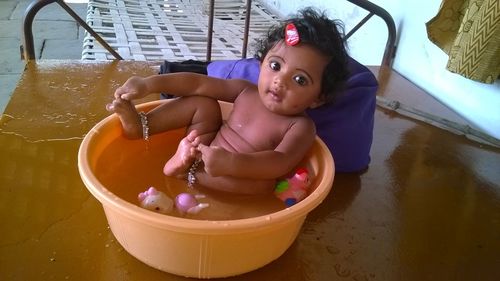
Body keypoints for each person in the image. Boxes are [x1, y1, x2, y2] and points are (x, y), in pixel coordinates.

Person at [106, 7, 349, 195]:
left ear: (318, 99)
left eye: (300, 80)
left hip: (232, 175)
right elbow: (196, 83)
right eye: (275, 66)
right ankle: (140, 126)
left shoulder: (301, 127)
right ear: (261, 63)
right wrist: (148, 84)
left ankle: (185, 173)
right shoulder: (245, 91)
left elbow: (280, 162)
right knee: (204, 103)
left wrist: (233, 164)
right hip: (201, 147)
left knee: (263, 186)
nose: (279, 81)